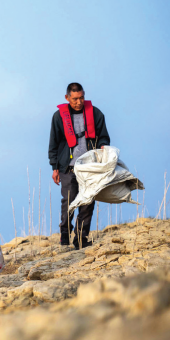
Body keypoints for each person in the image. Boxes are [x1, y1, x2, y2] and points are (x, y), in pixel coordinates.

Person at [48, 82, 110, 249]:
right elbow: (53, 143)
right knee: (69, 202)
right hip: (68, 168)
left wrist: (103, 147)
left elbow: (104, 137)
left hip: (90, 168)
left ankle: (81, 239)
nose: (79, 102)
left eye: (81, 98)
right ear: (67, 98)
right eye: (75, 99)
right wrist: (54, 167)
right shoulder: (58, 117)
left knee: (88, 203)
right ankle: (64, 236)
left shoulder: (95, 114)